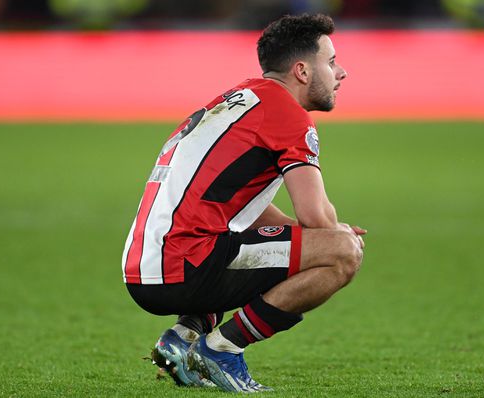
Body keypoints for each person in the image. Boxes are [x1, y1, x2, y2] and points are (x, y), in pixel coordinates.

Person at [121, 13, 365, 393]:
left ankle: (184, 335)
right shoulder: (288, 114)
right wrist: (337, 234)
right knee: (344, 253)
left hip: (145, 268)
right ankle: (222, 349)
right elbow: (316, 215)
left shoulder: (240, 100)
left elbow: (238, 204)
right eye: (330, 62)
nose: (341, 72)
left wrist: (304, 238)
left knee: (279, 242)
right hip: (186, 263)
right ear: (302, 71)